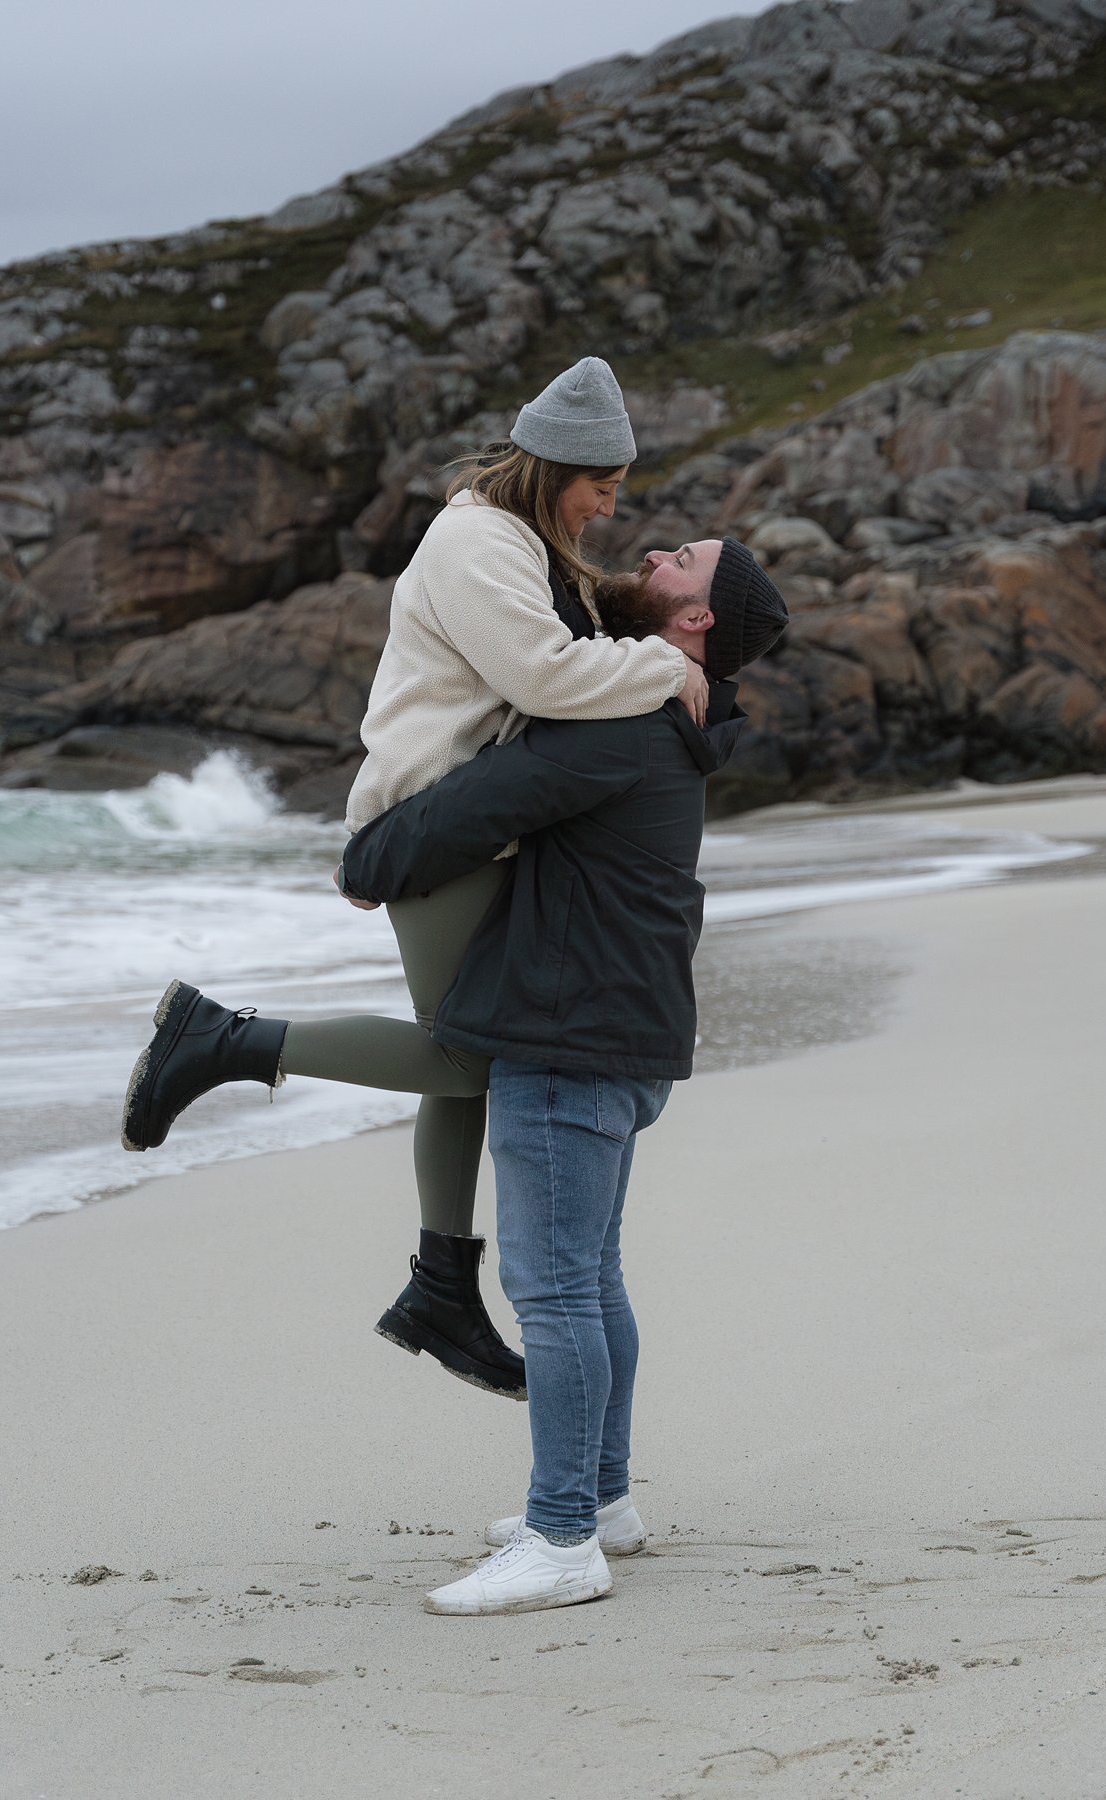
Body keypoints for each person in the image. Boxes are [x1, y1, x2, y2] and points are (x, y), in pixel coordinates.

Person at [123, 357, 707, 1402]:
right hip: (437, 825)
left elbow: (565, 643)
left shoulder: (522, 540)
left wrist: (663, 630)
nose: (612, 506)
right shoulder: (478, 538)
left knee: (476, 1053)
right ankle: (221, 1039)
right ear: (556, 466)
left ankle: (441, 1280)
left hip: (466, 824)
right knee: (470, 1056)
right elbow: (542, 676)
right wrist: (674, 666)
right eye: (602, 486)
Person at [336, 536, 788, 1614]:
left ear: (697, 624)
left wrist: (366, 862)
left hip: (567, 1034)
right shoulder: (673, 723)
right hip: (623, 1036)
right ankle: (604, 1499)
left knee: (552, 1291)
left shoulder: (624, 723)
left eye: (681, 559)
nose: (653, 550)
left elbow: (480, 804)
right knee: (592, 1277)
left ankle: (561, 1538)